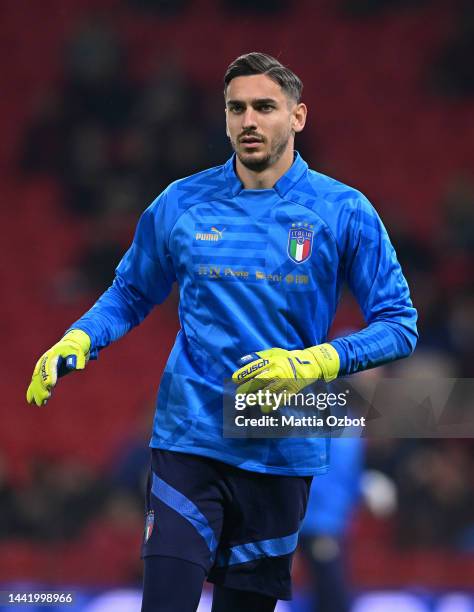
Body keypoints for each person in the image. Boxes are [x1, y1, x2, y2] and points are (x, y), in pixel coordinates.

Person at [26, 52, 418, 612]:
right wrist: (81, 337)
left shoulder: (343, 211)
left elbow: (399, 325)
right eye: (237, 108)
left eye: (265, 107)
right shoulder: (181, 203)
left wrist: (313, 363)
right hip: (191, 438)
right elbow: (132, 292)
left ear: (298, 117)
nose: (249, 121)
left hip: (281, 449)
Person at [299, 438, 364, 612]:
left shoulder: (351, 428)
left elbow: (350, 477)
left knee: (330, 591)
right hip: (319, 526)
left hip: (336, 525)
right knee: (330, 592)